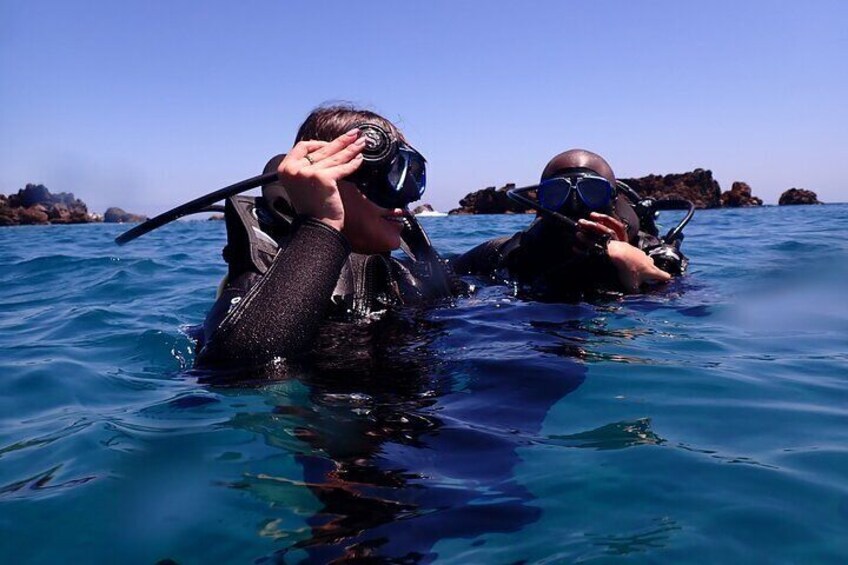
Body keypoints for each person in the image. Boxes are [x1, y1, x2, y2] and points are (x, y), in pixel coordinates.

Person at [194, 105, 463, 370]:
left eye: (408, 175)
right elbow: (238, 370)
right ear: (325, 178)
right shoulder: (260, 288)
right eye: (383, 178)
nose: (405, 197)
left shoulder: (405, 276)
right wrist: (322, 222)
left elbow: (474, 276)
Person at [452, 149, 684, 298]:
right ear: (541, 202)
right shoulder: (507, 254)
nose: (575, 206)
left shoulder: (652, 256)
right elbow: (440, 277)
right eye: (557, 194)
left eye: (592, 192)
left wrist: (637, 284)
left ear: (613, 200)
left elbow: (692, 312)